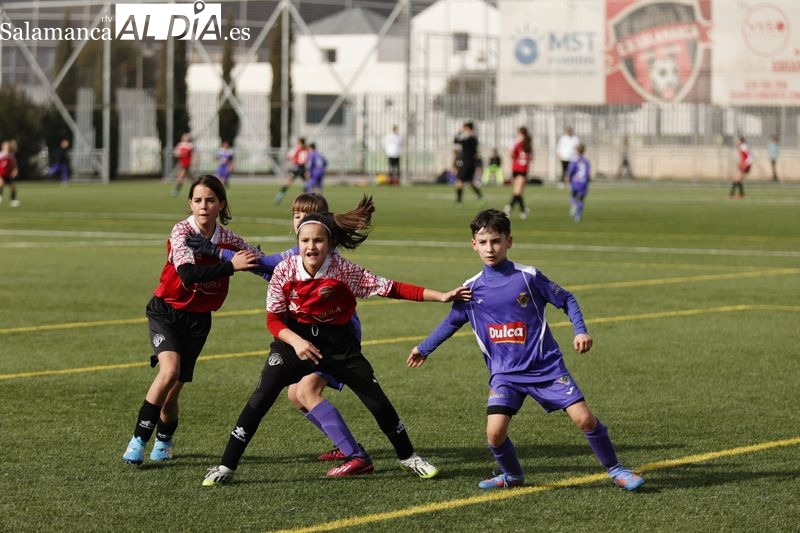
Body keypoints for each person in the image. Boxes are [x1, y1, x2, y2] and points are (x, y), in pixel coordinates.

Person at [201, 197, 471, 486]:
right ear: (298, 242)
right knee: (261, 397)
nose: (311, 246)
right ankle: (226, 466)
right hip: (295, 342)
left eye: (318, 240)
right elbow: (273, 320)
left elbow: (391, 288)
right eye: (305, 240)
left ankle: (409, 457)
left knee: (377, 401)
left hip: (339, 344)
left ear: (329, 244)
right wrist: (296, 342)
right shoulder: (285, 269)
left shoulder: (343, 270)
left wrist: (441, 296)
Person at [407, 209, 645, 492]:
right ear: (473, 245)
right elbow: (452, 322)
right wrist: (425, 348)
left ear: (509, 241)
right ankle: (513, 475)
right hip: (505, 373)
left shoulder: (528, 277)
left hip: (545, 367)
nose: (489, 249)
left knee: (584, 419)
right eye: (482, 242)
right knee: (494, 434)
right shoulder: (470, 289)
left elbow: (566, 298)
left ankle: (616, 469)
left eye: (496, 241)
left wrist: (580, 330)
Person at [121, 175, 262, 465]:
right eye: (197, 200)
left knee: (171, 394)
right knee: (169, 370)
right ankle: (137, 440)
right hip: (166, 312)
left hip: (198, 321)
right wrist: (229, 266)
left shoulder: (228, 239)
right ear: (190, 203)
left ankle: (164, 439)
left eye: (210, 200)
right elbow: (186, 274)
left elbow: (256, 259)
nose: (203, 206)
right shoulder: (182, 232)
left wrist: (280, 263)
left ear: (221, 204)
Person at [453, 121, 485, 207]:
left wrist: (459, 132)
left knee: (459, 181)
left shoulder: (470, 139)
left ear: (467, 128)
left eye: (465, 128)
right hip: (471, 163)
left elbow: (455, 140)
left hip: (466, 163)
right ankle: (480, 197)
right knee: (470, 182)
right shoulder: (473, 139)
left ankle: (458, 201)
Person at [503, 126, 534, 219]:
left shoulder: (517, 143)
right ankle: (510, 207)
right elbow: (531, 157)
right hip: (522, 169)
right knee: (518, 191)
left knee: (518, 191)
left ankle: (522, 210)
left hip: (516, 168)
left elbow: (511, 154)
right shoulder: (528, 144)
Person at [275, 137, 309, 204]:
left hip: (296, 167)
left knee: (288, 183)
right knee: (307, 184)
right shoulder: (306, 149)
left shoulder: (296, 149)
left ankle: (279, 197)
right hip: (303, 168)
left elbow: (289, 157)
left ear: (299, 142)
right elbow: (307, 159)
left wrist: (291, 159)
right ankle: (303, 199)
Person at [567, 144, 591, 222]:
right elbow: (587, 173)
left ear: (577, 151)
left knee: (573, 196)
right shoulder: (586, 161)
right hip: (583, 182)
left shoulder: (575, 160)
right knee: (581, 199)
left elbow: (571, 170)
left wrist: (568, 177)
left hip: (575, 181)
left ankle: (574, 205)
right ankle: (578, 216)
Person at [172, 133, 194, 197]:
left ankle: (176, 191)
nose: (185, 137)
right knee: (190, 177)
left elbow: (191, 153)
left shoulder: (190, 145)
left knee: (180, 177)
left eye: (187, 137)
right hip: (182, 163)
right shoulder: (180, 144)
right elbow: (176, 152)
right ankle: (198, 186)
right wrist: (178, 153)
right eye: (184, 136)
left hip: (186, 163)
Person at [0, 140, 20, 207]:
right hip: (1, 174)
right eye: (6, 146)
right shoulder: (1, 155)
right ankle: (0, 197)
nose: (8, 147)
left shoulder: (11, 155)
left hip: (7, 175)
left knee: (13, 187)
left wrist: (15, 171)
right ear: (3, 147)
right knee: (1, 183)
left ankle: (13, 200)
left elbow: (14, 165)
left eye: (8, 146)